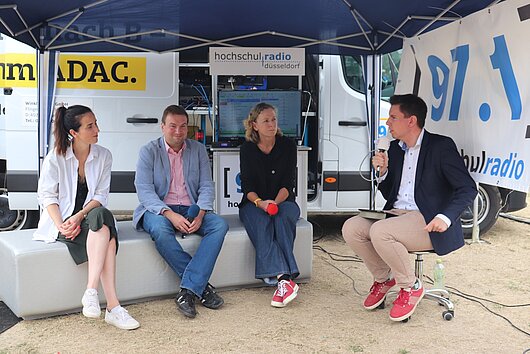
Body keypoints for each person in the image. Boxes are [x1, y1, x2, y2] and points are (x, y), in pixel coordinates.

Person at [342, 94, 477, 322]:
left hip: (426, 219)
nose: (387, 123)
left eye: (393, 117)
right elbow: (390, 194)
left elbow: (467, 188)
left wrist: (445, 217)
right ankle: (384, 279)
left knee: (380, 232)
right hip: (396, 214)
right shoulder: (394, 150)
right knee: (351, 227)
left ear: (411, 121)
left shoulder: (440, 146)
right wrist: (382, 173)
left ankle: (411, 285)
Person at [33, 105, 140, 330]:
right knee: (108, 238)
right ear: (74, 133)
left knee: (101, 215)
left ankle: (91, 291)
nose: (97, 130)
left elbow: (101, 196)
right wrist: (62, 224)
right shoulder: (56, 157)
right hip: (63, 224)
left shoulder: (104, 156)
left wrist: (80, 215)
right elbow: (47, 195)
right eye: (90, 126)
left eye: (96, 123)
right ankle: (113, 307)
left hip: (88, 218)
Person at [133, 105, 228, 319]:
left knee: (220, 225)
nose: (178, 132)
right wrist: (169, 214)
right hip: (158, 209)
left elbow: (206, 185)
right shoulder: (148, 151)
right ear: (163, 127)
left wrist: (201, 213)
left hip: (191, 207)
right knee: (159, 230)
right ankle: (199, 288)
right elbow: (145, 191)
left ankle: (188, 291)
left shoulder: (198, 149)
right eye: (173, 126)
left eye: (183, 127)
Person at [238, 102, 301, 308]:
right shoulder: (246, 148)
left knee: (282, 218)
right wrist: (261, 203)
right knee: (262, 221)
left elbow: (288, 184)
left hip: (283, 200)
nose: (271, 124)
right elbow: (247, 187)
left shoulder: (288, 145)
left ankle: (282, 279)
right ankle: (285, 278)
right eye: (266, 120)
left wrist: (274, 202)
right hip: (253, 203)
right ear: (254, 125)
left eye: (273, 119)